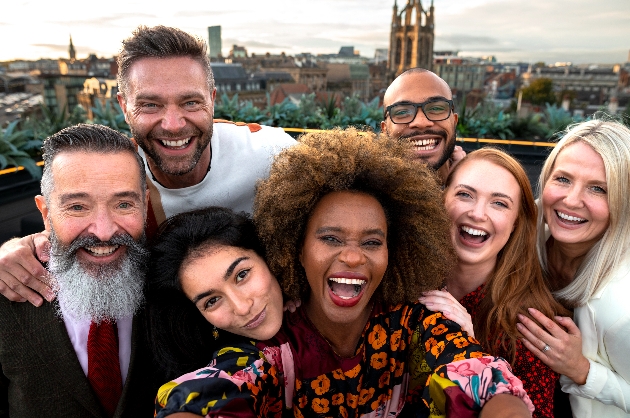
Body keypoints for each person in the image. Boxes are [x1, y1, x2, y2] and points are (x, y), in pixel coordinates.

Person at [155, 128, 534, 417]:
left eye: (371, 242)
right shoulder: (267, 348)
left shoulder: (417, 324)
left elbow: (479, 376)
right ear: (296, 249)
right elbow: (215, 388)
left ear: (394, 251)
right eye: (331, 238)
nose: (352, 258)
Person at [0, 25, 295, 307]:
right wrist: (17, 250)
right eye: (150, 105)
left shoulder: (271, 153)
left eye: (191, 102)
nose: (173, 124)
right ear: (124, 107)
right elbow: (75, 228)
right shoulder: (116, 172)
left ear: (213, 99)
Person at [0, 124, 157, 417]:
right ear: (46, 214)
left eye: (123, 204)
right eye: (77, 207)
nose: (104, 231)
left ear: (145, 206)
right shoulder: (5, 295)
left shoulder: (176, 282)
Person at [419, 148, 569, 417]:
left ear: (515, 224)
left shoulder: (531, 325)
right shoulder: (406, 284)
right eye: (465, 194)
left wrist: (469, 350)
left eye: (499, 203)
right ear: (442, 201)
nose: (478, 214)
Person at [517, 119, 630, 418]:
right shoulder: (525, 230)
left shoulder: (623, 310)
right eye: (563, 179)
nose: (571, 200)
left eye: (598, 189)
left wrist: (581, 370)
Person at [145, 207, 285, 381]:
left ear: (267, 256)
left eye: (242, 275)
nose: (241, 308)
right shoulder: (228, 371)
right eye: (212, 301)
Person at [381, 67, 465, 183]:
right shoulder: (367, 195)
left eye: (436, 108)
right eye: (402, 112)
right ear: (384, 130)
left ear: (454, 121)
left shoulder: (487, 185)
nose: (421, 122)